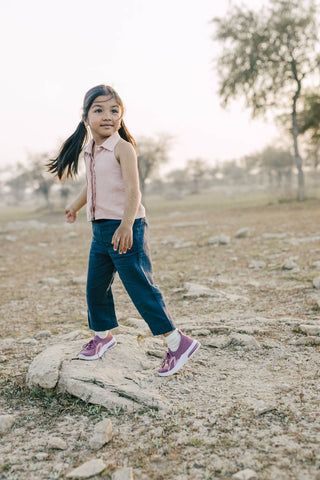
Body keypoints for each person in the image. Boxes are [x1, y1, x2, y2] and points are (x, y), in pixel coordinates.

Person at [48, 84, 200, 376]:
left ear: (122, 116)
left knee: (139, 287)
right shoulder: (91, 150)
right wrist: (75, 206)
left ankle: (177, 342)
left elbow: (134, 191)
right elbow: (92, 185)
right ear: (85, 117)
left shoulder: (122, 148)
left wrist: (127, 224)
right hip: (101, 232)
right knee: (96, 286)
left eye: (114, 110)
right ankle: (103, 337)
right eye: (99, 110)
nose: (108, 116)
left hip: (125, 229)